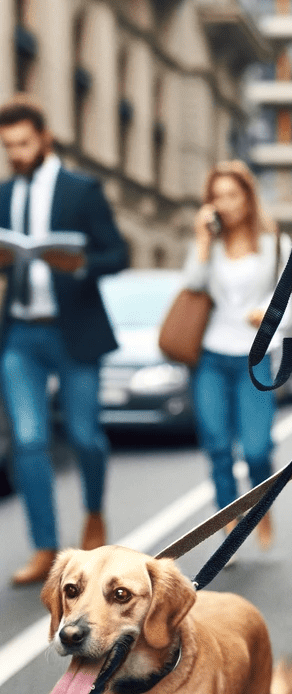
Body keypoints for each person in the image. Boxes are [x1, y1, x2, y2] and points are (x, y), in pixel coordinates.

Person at [0, 95, 129, 585]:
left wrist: (81, 265)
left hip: (75, 332)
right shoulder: (4, 194)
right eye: (8, 145)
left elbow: (118, 254)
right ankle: (46, 549)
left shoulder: (82, 190)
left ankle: (94, 512)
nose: (15, 153)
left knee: (84, 436)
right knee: (29, 442)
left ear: (45, 138)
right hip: (20, 336)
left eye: (23, 143)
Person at [182, 160, 291, 549]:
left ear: (247, 197)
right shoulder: (207, 245)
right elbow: (193, 285)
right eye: (217, 197)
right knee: (217, 446)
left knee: (257, 448)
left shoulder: (273, 243)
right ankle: (230, 525)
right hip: (210, 356)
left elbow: (288, 299)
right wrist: (201, 240)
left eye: (232, 194)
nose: (225, 204)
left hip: (254, 356)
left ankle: (261, 506)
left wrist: (270, 315)